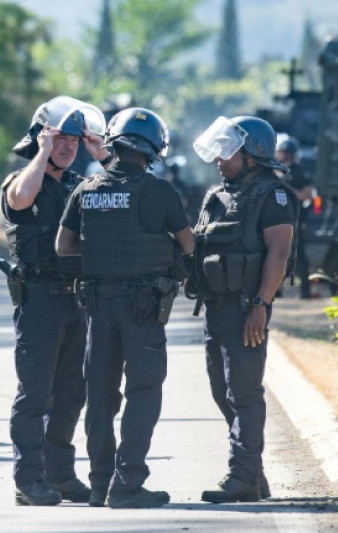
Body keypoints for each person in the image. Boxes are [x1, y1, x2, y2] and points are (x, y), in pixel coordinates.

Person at [56, 107, 194, 508]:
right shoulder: (160, 192)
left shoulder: (86, 189)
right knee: (143, 391)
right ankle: (128, 483)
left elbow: (63, 248)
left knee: (99, 395)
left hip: (98, 304)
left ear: (113, 142)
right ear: (153, 150)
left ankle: (99, 484)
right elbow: (188, 245)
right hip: (143, 306)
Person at [2, 96, 113, 506]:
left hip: (76, 302)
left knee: (71, 393)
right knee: (35, 393)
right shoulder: (21, 180)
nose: (69, 147)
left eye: (74, 141)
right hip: (39, 303)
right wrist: (43, 149)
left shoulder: (78, 185)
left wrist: (103, 155)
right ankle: (28, 479)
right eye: (61, 138)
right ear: (41, 138)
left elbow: (123, 190)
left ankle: (60, 474)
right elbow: (19, 200)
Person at [189, 116, 297, 502]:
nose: (219, 157)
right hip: (216, 310)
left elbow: (279, 253)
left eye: (228, 149)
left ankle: (240, 477)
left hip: (246, 308)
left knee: (243, 393)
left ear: (253, 154)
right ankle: (253, 475)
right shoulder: (217, 196)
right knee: (222, 391)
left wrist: (260, 305)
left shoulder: (274, 195)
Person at [275, 134, 315, 299]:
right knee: (276, 256)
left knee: (299, 258)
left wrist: (290, 192)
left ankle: (304, 292)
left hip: (295, 221)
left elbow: (308, 194)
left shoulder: (298, 172)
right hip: (276, 221)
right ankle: (276, 291)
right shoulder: (274, 171)